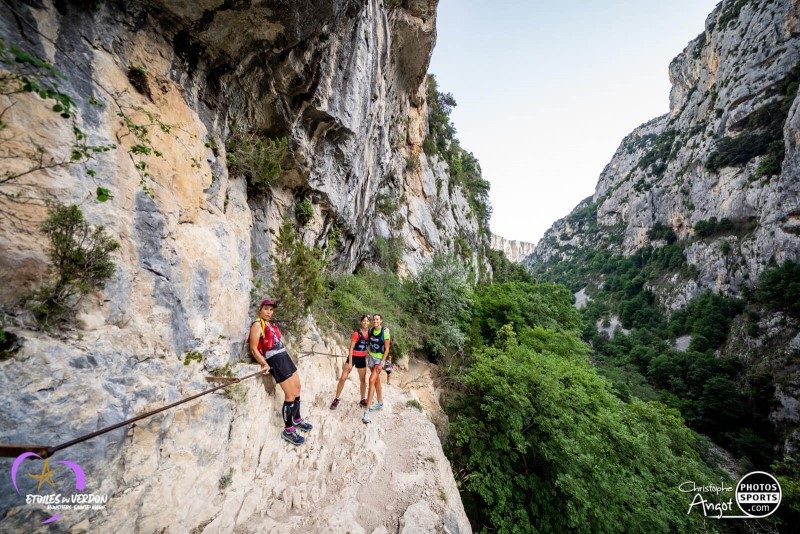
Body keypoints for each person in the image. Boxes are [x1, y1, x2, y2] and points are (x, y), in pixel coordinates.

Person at [249, 298, 312, 446]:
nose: (269, 312)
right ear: (260, 309)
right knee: (290, 394)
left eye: (271, 310)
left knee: (297, 389)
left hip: (284, 356)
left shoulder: (270, 324)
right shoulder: (257, 325)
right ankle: (288, 430)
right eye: (266, 309)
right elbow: (253, 348)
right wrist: (264, 364)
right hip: (275, 360)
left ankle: (296, 419)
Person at [330, 315, 371, 409]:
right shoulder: (357, 333)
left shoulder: (369, 333)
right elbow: (351, 347)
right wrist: (350, 363)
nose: (365, 323)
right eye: (364, 321)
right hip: (353, 357)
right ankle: (336, 398)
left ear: (369, 322)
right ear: (361, 322)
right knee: (343, 378)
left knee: (363, 380)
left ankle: (362, 400)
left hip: (362, 358)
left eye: (367, 321)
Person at [362, 314, 391, 424]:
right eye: (374, 319)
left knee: (371, 380)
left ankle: (367, 412)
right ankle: (380, 403)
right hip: (371, 358)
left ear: (381, 321)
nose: (375, 321)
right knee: (376, 380)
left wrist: (382, 362)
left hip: (379, 360)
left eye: (377, 319)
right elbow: (366, 339)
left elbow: (387, 348)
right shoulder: (370, 331)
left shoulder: (385, 332)